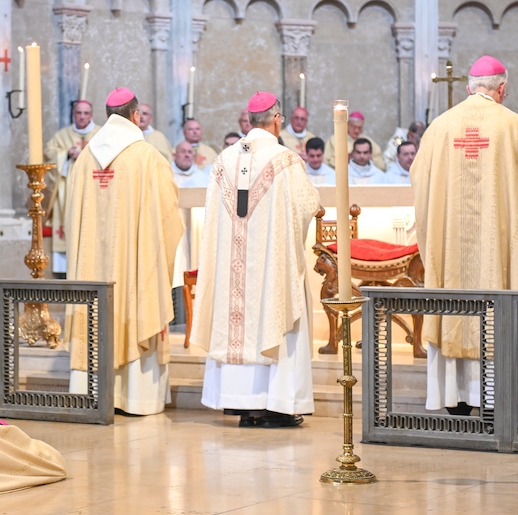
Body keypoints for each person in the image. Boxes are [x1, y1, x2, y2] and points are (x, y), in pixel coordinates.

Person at [411, 55, 518, 416]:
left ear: (468, 87)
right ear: (502, 88)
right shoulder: (515, 127)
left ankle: (454, 399)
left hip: (450, 257)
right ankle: (493, 399)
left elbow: (419, 183)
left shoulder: (440, 127)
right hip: (498, 257)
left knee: (452, 302)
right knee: (496, 302)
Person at [194, 92, 319, 428]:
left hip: (231, 271)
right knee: (272, 312)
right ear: (277, 119)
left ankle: (241, 406)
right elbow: (307, 206)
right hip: (269, 268)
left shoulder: (223, 161)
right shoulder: (286, 160)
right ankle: (274, 405)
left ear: (249, 121)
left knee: (236, 318)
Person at [64, 88, 183, 415]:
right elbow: (170, 219)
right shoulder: (147, 158)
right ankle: (136, 396)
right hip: (132, 272)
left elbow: (70, 215)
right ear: (135, 116)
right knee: (135, 297)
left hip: (92, 267)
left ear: (106, 116)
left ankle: (90, 392)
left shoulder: (85, 158)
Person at [45, 100, 96, 274]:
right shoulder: (62, 135)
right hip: (68, 190)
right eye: (78, 113)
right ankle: (65, 272)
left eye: (86, 113)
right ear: (73, 114)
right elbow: (49, 154)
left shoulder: (100, 134)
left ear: (92, 115)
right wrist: (66, 154)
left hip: (94, 189)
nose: (82, 117)